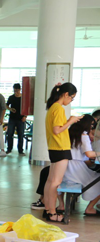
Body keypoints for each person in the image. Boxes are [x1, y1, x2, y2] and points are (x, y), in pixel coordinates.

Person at [43, 82, 82, 222]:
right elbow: (57, 130)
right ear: (66, 94)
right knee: (55, 182)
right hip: (60, 147)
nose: (71, 100)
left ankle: (48, 210)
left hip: (54, 147)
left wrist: (69, 121)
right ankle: (53, 214)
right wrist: (71, 121)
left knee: (50, 181)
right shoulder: (58, 108)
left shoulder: (53, 107)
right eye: (72, 97)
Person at [64, 115, 100, 216]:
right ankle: (90, 208)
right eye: (91, 125)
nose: (92, 128)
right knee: (97, 181)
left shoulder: (70, 133)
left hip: (68, 168)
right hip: (77, 170)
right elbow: (89, 154)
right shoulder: (83, 135)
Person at [6, 83, 26, 155]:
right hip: (12, 118)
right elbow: (6, 105)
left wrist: (25, 116)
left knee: (20, 135)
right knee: (10, 134)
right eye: (14, 91)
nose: (16, 92)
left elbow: (26, 108)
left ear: (20, 89)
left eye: (17, 91)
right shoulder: (11, 97)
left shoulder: (23, 98)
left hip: (21, 119)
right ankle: (9, 149)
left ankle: (20, 150)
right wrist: (10, 109)